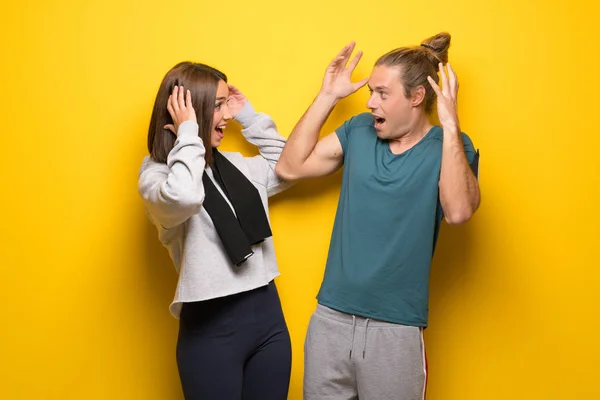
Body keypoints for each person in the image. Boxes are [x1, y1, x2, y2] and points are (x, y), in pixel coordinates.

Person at [275, 33, 481, 399]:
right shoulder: (358, 131)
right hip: (330, 320)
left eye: (382, 94)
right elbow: (290, 167)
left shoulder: (451, 148)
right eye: (371, 91)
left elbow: (459, 211)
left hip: (396, 328)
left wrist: (451, 126)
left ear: (416, 98)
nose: (370, 102)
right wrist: (327, 97)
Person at [138, 62, 291, 400]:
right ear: (192, 111)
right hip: (211, 328)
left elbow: (287, 164)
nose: (225, 115)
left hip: (267, 316)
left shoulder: (235, 164)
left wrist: (248, 115)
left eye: (226, 103)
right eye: (217, 105)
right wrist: (189, 134)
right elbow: (186, 197)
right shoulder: (158, 177)